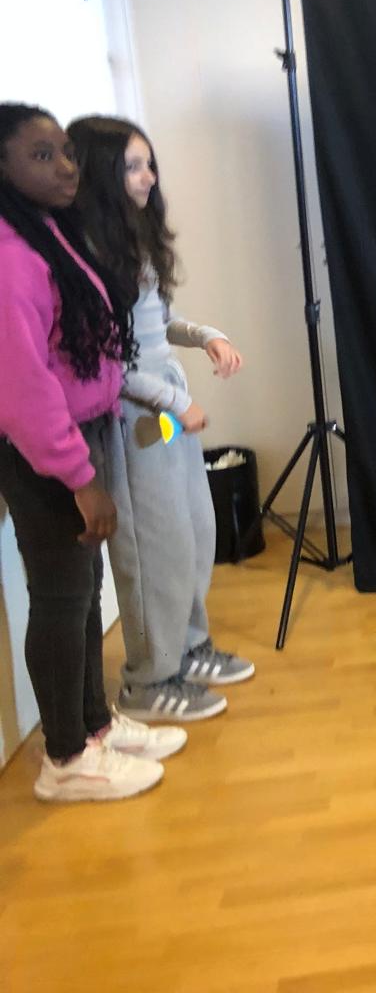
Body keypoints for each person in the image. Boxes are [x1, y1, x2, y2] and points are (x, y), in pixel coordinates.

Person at [0, 103, 185, 801]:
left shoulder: (47, 233)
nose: (65, 166)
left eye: (65, 152)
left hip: (82, 434)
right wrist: (78, 476)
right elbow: (23, 387)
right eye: (41, 155)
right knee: (60, 597)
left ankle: (92, 726)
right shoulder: (10, 258)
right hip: (47, 452)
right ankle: (65, 758)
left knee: (82, 593)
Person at [67, 115, 252, 724]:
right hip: (132, 417)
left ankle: (187, 647)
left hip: (165, 408)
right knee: (151, 550)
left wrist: (206, 336)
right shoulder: (87, 255)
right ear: (102, 174)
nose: (148, 176)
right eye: (132, 166)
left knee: (193, 531)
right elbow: (108, 364)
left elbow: (157, 324)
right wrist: (174, 403)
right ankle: (148, 680)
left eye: (149, 164)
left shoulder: (134, 243)